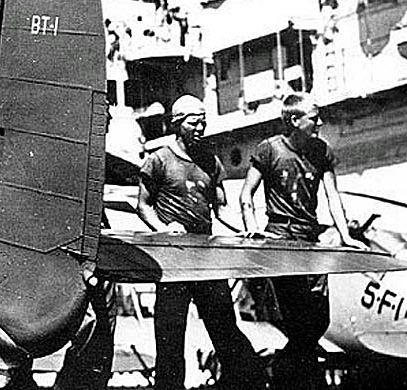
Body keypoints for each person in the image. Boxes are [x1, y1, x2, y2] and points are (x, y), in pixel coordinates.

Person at [138, 95, 266, 390]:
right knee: (170, 340)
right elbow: (143, 205)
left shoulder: (210, 160)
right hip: (173, 265)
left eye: (203, 120)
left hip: (206, 263)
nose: (201, 127)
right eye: (194, 121)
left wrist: (248, 230)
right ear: (177, 124)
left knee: (225, 330)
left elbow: (221, 208)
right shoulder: (158, 160)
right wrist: (163, 228)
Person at [239, 92, 358, 388]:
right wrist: (252, 227)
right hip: (281, 238)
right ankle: (300, 377)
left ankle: (285, 369)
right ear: (295, 120)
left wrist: (345, 236)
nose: (320, 122)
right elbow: (246, 195)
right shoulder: (269, 149)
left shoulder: (322, 151)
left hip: (310, 237)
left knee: (320, 320)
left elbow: (333, 196)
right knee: (297, 320)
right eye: (314, 118)